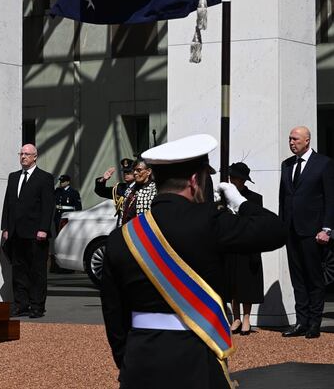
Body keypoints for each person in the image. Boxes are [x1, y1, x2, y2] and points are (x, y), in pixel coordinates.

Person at [101, 134, 286, 389]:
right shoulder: (210, 221)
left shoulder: (122, 237)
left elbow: (114, 315)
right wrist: (241, 203)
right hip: (198, 357)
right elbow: (276, 231)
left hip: (140, 360)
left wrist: (128, 359)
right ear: (195, 181)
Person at [278, 126, 334, 339]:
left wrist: (327, 229)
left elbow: (330, 198)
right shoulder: (287, 164)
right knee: (297, 278)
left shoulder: (324, 164)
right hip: (291, 230)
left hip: (313, 231)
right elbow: (284, 198)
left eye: (295, 139)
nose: (291, 142)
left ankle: (314, 323)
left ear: (307, 140)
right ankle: (301, 322)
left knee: (314, 278)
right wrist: (281, 227)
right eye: (290, 139)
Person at [0, 144, 55, 318]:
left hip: (36, 233)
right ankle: (21, 304)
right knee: (19, 271)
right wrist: (6, 227)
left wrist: (43, 229)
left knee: (37, 271)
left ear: (35, 157)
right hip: (16, 233)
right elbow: (8, 203)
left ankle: (37, 306)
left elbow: (48, 206)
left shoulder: (44, 178)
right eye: (21, 153)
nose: (23, 156)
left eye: (27, 154)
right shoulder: (13, 177)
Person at [222, 162, 264, 336]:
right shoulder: (224, 197)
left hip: (248, 245)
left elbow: (258, 223)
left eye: (236, 178)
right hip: (231, 244)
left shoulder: (254, 198)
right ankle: (236, 318)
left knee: (248, 282)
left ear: (243, 180)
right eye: (231, 177)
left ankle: (246, 317)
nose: (232, 180)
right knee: (231, 282)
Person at [95, 158, 135, 223]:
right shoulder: (120, 187)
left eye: (129, 172)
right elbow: (101, 191)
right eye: (124, 172)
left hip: (134, 223)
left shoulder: (140, 188)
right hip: (121, 224)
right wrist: (103, 179)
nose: (125, 174)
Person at [118, 159, 157, 226]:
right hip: (126, 229)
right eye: (134, 170)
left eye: (139, 170)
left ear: (148, 171)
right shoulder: (130, 189)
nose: (135, 173)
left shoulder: (154, 190)